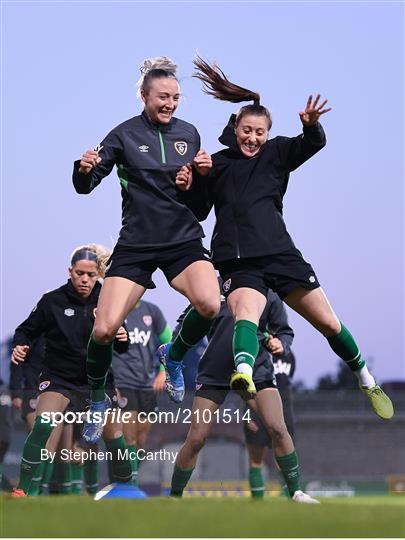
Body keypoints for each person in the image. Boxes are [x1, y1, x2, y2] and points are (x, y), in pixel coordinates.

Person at [177, 56, 393, 420]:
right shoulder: (216, 164)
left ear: (267, 134)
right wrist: (189, 185)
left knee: (328, 323)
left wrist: (311, 128)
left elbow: (311, 145)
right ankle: (243, 372)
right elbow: (199, 209)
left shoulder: (277, 153)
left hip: (280, 255)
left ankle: (365, 377)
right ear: (235, 128)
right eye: (247, 130)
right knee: (245, 313)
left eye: (259, 132)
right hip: (238, 261)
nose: (253, 138)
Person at [72, 57, 220, 441]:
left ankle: (171, 357)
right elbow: (86, 184)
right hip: (136, 243)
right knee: (103, 329)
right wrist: (84, 168)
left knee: (210, 304)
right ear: (143, 96)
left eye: (176, 97)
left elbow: (201, 206)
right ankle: (99, 400)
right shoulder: (122, 134)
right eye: (162, 96)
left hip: (182, 240)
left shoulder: (190, 133)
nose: (170, 103)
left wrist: (198, 182)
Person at [169, 290, 319, 503]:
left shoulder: (269, 294)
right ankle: (174, 497)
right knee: (196, 438)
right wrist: (174, 353)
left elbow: (284, 332)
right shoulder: (213, 287)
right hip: (214, 370)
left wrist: (281, 344)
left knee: (277, 427)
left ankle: (296, 492)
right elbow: (184, 324)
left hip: (256, 370)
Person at [10, 244, 133, 498]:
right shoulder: (52, 301)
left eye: (90, 274)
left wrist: (122, 336)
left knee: (115, 439)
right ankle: (23, 490)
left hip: (97, 382)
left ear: (98, 274)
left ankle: (127, 492)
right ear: (70, 271)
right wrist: (19, 345)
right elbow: (25, 330)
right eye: (79, 273)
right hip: (59, 379)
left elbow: (123, 347)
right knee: (42, 426)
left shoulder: (109, 299)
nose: (85, 279)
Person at [112, 298, 171, 485]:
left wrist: (163, 372)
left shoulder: (152, 310)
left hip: (147, 384)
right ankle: (131, 486)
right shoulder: (116, 309)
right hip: (123, 382)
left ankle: (129, 479)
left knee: (140, 440)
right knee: (128, 436)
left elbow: (167, 341)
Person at [244, 350, 297, 498]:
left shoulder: (287, 354)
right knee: (256, 461)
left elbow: (286, 384)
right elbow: (242, 384)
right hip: (256, 412)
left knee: (284, 461)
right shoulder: (254, 350)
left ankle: (293, 498)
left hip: (283, 413)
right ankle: (258, 504)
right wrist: (248, 415)